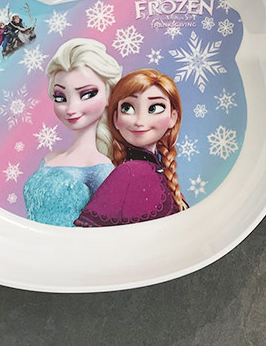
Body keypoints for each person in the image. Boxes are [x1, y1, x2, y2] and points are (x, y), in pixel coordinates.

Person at [23, 38, 122, 226]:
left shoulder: (100, 169)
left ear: (109, 95)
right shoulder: (49, 158)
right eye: (60, 97)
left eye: (87, 94)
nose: (71, 108)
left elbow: (107, 230)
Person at [74, 68, 187, 227]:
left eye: (154, 108)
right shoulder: (129, 173)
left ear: (172, 117)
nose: (139, 121)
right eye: (127, 108)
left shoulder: (159, 172)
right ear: (116, 119)